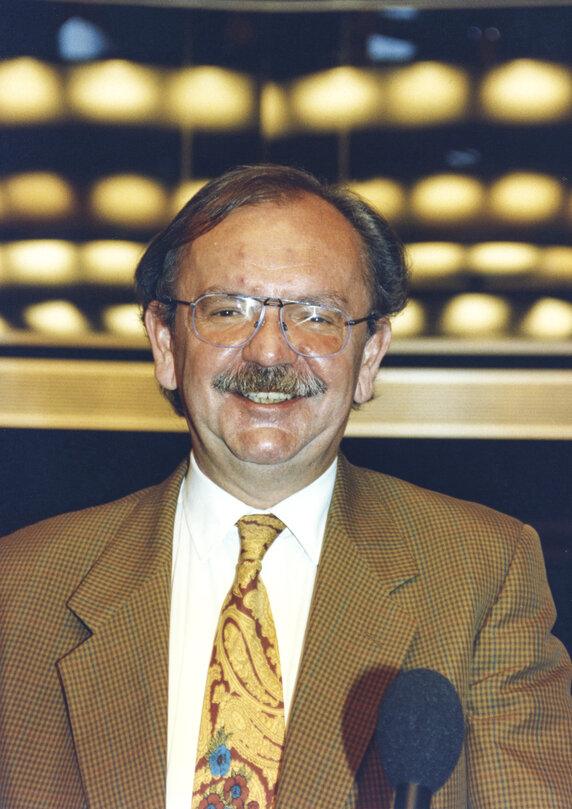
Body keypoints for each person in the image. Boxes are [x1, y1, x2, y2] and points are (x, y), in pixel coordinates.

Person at [1, 164, 571, 809]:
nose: (269, 353)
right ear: (164, 342)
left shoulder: (480, 574)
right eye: (227, 311)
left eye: (316, 317)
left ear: (371, 355)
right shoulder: (21, 589)